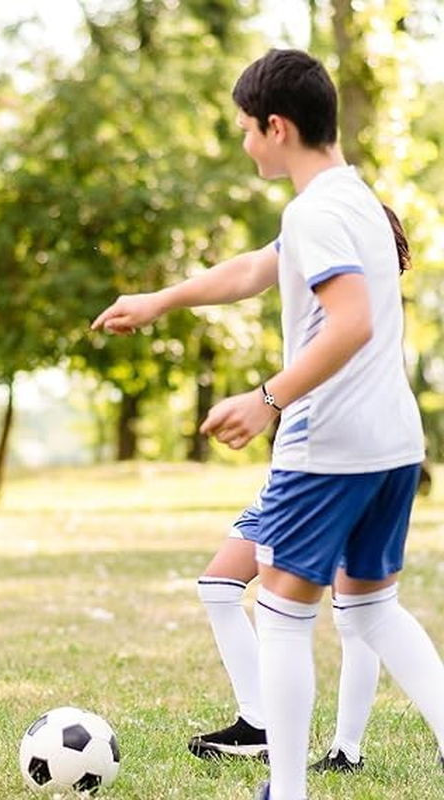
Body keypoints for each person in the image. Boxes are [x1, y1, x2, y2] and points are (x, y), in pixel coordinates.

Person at [93, 48, 444, 800]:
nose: (245, 143)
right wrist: (160, 300)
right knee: (373, 607)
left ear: (276, 127)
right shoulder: (350, 198)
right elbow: (260, 267)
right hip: (390, 444)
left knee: (283, 617)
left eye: (246, 129)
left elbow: (349, 323)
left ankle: (285, 792)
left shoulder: (314, 210)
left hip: (328, 446)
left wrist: (268, 398)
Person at [187, 204, 414, 772]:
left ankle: (346, 748)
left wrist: (265, 402)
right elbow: (250, 270)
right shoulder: (318, 289)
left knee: (357, 611)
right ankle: (259, 721)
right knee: (220, 584)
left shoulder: (363, 312)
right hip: (293, 469)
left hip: (338, 469)